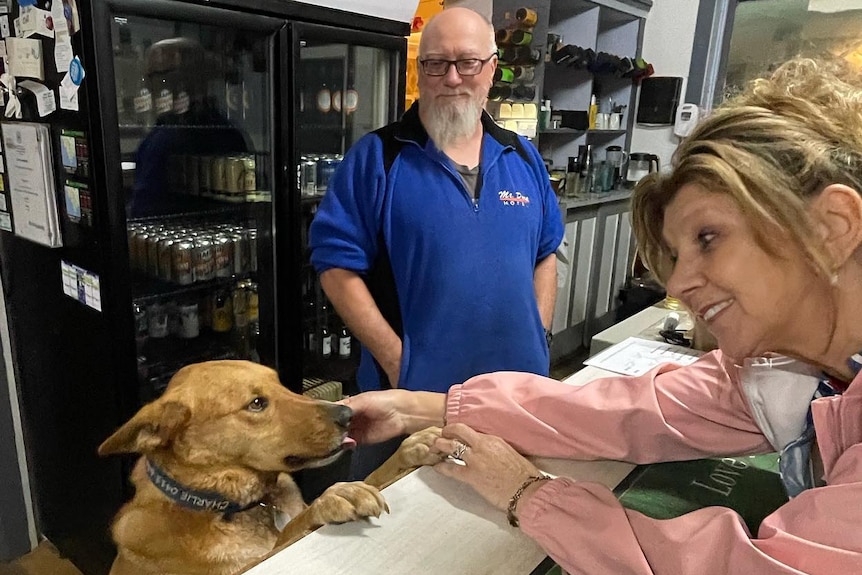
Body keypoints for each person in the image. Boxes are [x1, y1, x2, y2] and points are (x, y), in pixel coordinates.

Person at [341, 57, 862, 574]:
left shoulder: (518, 154)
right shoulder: (788, 369)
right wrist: (425, 406)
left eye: (709, 238)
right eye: (436, 64)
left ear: (834, 227)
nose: (678, 284)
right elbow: (630, 409)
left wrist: (530, 493)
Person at [309, 7, 563, 395]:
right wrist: (397, 363)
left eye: (467, 63)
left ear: (492, 70)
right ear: (419, 70)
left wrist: (538, 335)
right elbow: (335, 266)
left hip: (517, 392)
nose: (452, 78)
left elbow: (546, 253)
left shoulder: (523, 158)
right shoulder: (377, 158)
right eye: (436, 64)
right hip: (412, 399)